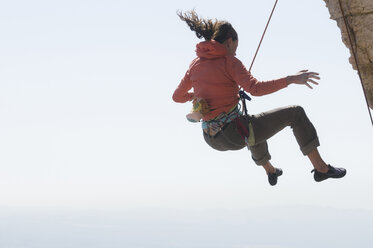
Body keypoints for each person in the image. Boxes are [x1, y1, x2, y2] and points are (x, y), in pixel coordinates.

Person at [172, 10, 346, 186]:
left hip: (210, 137)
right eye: (236, 46)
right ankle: (321, 169)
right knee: (296, 114)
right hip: (232, 135)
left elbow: (177, 97)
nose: (235, 51)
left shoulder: (195, 64)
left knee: (252, 126)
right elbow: (255, 89)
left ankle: (270, 171)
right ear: (230, 41)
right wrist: (291, 79)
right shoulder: (230, 62)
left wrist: (199, 95)